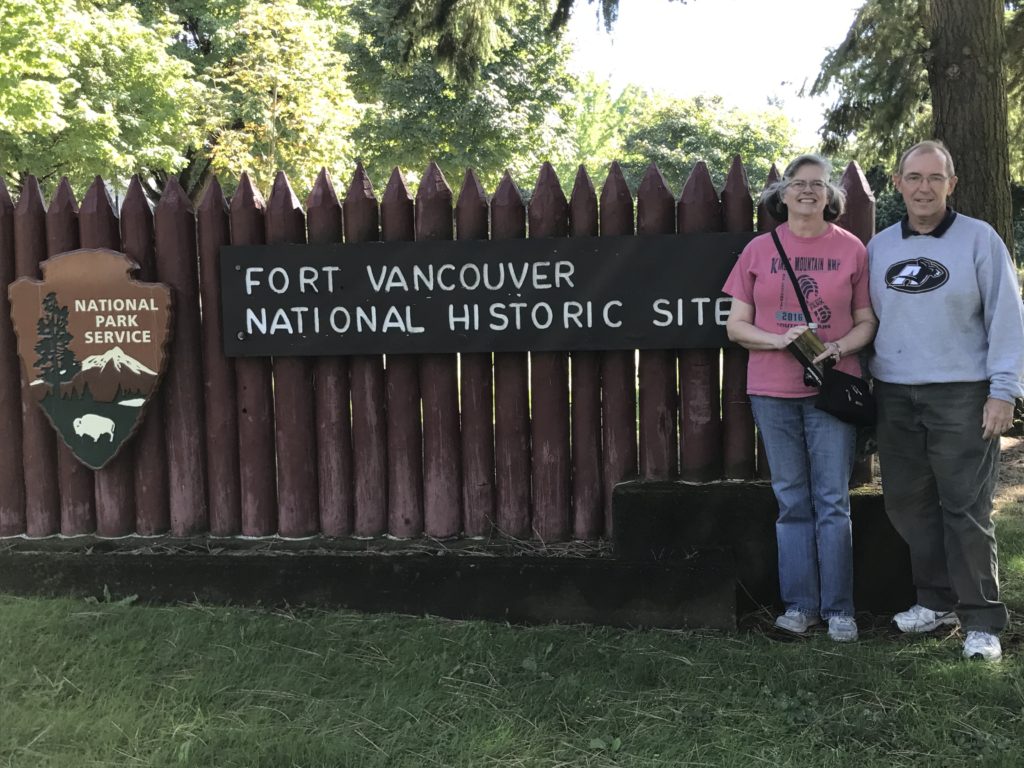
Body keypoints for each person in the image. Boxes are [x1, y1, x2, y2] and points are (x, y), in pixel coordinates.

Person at [868, 140, 1024, 662]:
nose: (924, 187)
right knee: (908, 504)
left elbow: (1007, 318)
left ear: (951, 184)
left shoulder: (980, 240)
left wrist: (1003, 392)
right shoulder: (880, 247)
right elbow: (868, 319)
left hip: (962, 392)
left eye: (936, 178)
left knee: (966, 507)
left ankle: (981, 619)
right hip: (894, 392)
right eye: (914, 177)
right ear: (898, 184)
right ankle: (935, 602)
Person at [724, 154, 879, 642]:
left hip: (832, 390)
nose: (808, 191)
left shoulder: (852, 249)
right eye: (799, 184)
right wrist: (781, 340)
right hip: (771, 391)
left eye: (818, 184)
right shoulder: (758, 250)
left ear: (830, 196)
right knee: (792, 500)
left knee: (833, 500)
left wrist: (836, 347)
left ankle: (840, 610)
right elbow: (736, 325)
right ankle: (799, 606)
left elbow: (867, 322)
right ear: (783, 194)